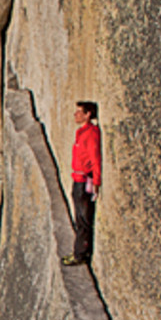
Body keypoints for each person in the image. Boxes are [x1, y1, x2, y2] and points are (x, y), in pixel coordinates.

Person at [62, 101, 101, 266]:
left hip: (84, 181)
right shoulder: (81, 132)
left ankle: (80, 255)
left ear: (88, 115)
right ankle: (79, 251)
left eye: (79, 112)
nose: (75, 115)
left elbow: (95, 158)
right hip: (77, 179)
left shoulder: (91, 133)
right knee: (79, 218)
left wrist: (97, 182)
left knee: (83, 220)